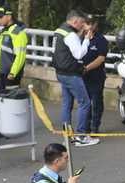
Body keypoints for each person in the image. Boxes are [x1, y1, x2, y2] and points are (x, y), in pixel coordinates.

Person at [52, 10, 98, 147]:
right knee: (85, 103)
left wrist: (82, 33)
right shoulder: (71, 35)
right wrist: (87, 39)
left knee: (67, 103)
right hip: (71, 74)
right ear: (75, 21)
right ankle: (81, 136)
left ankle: (68, 135)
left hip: (60, 72)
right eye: (82, 23)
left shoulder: (59, 30)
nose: (83, 25)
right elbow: (79, 54)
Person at [80, 17, 107, 133]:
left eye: (90, 24)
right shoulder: (80, 38)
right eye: (86, 23)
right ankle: (85, 127)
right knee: (85, 103)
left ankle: (95, 126)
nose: (88, 26)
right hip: (82, 77)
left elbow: (101, 58)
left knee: (96, 102)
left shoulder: (101, 40)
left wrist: (87, 68)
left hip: (96, 76)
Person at [0, 5, 28, 91]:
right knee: (3, 100)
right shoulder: (5, 31)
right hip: (3, 73)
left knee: (11, 101)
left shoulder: (17, 32)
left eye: (1, 17)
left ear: (9, 17)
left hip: (11, 74)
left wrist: (13, 73)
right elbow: (0, 51)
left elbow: (20, 55)